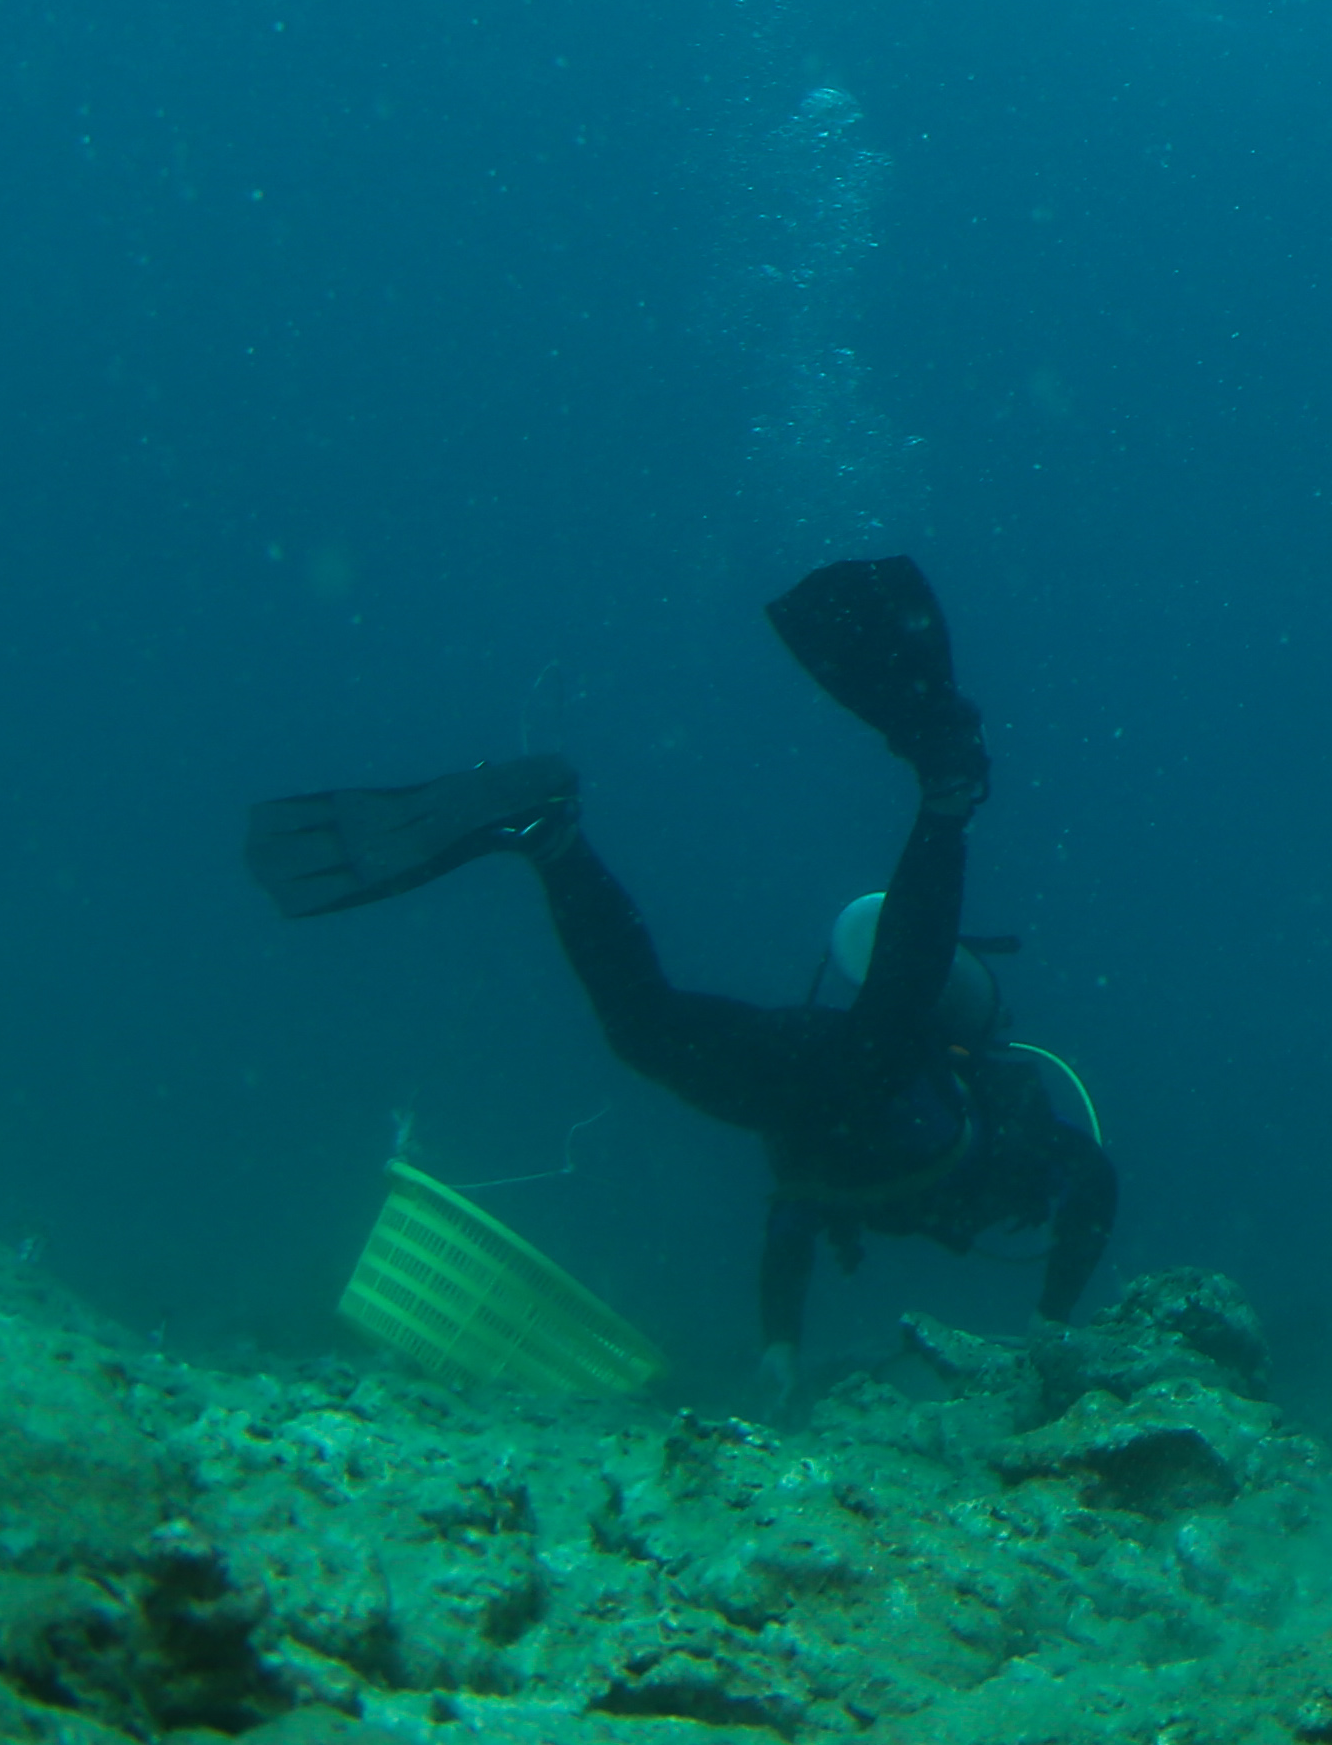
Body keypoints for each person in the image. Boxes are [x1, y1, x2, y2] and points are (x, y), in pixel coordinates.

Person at [245, 557, 1116, 1383]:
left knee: (644, 1027)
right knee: (880, 1034)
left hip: (802, 1080)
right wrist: (1055, 1323)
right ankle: (948, 791)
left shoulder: (853, 1179)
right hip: (861, 1065)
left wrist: (779, 1345)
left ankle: (554, 838)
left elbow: (794, 1212)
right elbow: (1094, 1181)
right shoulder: (1016, 1141)